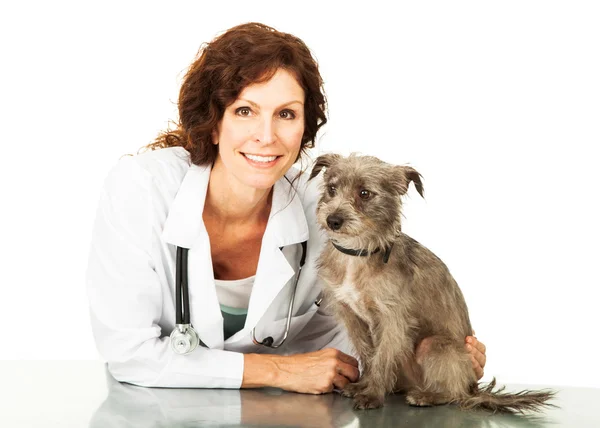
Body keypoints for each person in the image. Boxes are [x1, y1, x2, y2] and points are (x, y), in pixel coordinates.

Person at [86, 22, 486, 394]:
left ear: (304, 128)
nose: (266, 136)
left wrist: (436, 354)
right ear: (213, 121)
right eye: (245, 111)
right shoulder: (141, 188)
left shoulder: (324, 208)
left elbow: (351, 340)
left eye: (286, 114)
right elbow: (128, 352)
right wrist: (277, 371)